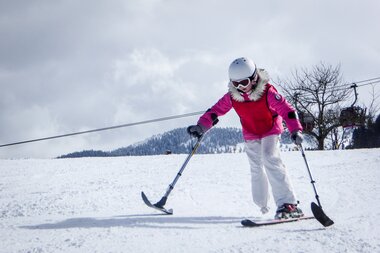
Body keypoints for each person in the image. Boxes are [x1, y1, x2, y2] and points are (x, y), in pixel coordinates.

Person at [187, 57, 304, 219]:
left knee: (270, 158)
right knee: (256, 166)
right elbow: (215, 111)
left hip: (270, 128)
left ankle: (288, 204)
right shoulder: (233, 97)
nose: (240, 87)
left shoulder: (267, 92)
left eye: (244, 82)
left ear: (255, 78)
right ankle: (262, 204)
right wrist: (202, 126)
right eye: (236, 84)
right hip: (251, 132)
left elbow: (287, 110)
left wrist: (295, 130)